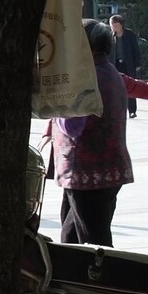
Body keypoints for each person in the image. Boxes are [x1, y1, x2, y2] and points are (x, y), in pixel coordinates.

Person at [49, 20, 132, 247]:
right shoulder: (109, 71)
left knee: (95, 245)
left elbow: (72, 126)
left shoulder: (85, 77)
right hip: (107, 171)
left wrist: (53, 106)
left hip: (86, 174)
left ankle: (105, 273)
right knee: (72, 238)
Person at [110, 14, 143, 119]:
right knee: (116, 88)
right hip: (115, 65)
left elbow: (136, 50)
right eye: (112, 25)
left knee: (131, 87)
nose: (114, 27)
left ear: (121, 25)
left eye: (115, 25)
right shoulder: (110, 36)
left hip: (128, 64)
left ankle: (132, 110)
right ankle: (118, 110)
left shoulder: (130, 35)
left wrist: (138, 64)